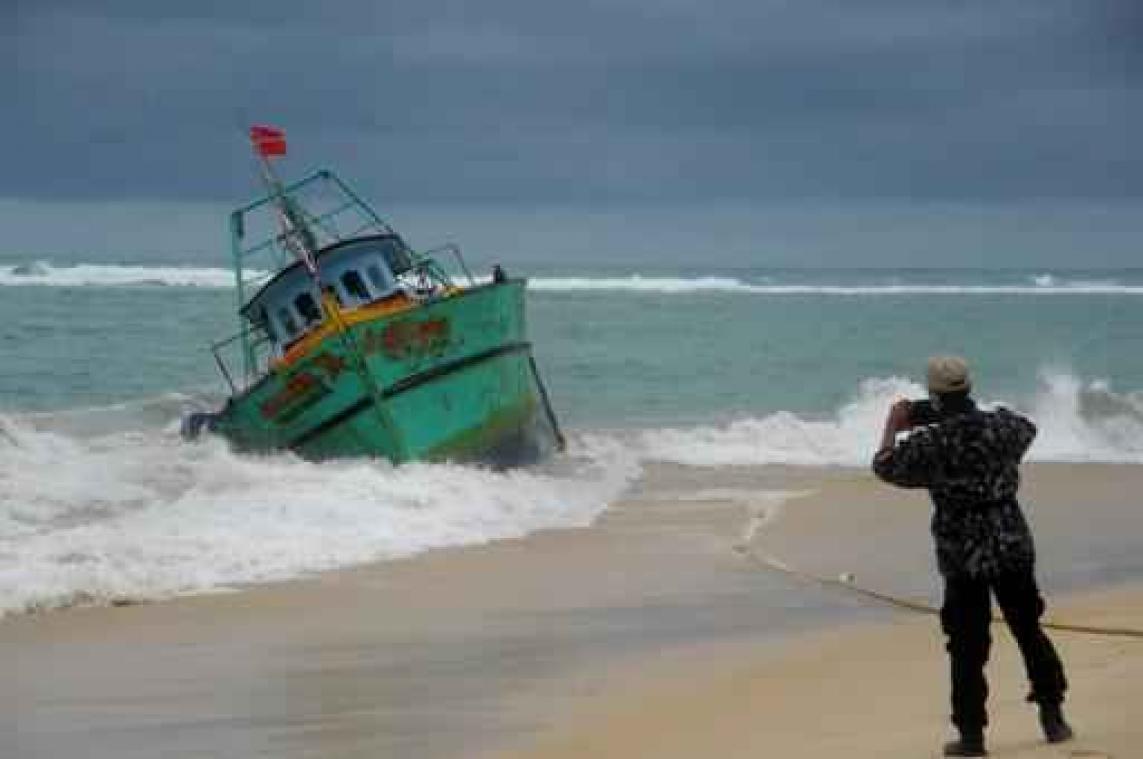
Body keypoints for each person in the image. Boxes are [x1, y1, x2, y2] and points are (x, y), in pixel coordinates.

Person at [871, 356, 1073, 757]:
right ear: (968, 388)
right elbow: (1026, 427)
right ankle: (1053, 718)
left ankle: (971, 736)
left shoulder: (932, 444)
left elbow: (886, 467)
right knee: (1028, 630)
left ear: (934, 395)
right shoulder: (1002, 429)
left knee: (966, 644)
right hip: (1010, 539)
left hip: (962, 551)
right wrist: (953, 414)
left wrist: (894, 426)